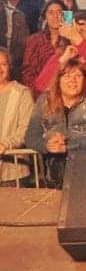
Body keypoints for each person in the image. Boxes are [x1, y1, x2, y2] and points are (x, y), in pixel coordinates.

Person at [26, 58, 86, 187]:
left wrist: (68, 147)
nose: (72, 80)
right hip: (52, 172)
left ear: (85, 80)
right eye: (67, 76)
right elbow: (31, 137)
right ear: (58, 80)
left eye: (78, 76)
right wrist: (47, 145)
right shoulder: (44, 100)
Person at [0, 48, 35, 184]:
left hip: (13, 172)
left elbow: (26, 129)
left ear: (10, 66)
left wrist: (6, 144)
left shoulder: (22, 93)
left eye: (3, 64)